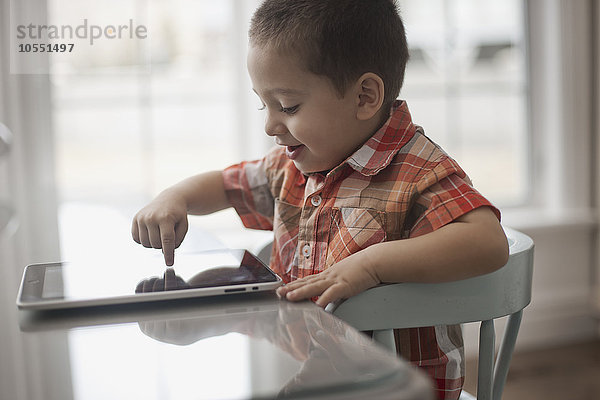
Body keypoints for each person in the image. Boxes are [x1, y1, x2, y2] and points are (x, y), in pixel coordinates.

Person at [131, 0, 509, 398]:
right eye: (264, 104)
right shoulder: (292, 167)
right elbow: (226, 185)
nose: (271, 125)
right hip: (307, 376)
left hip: (399, 389)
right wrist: (176, 198)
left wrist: (373, 265)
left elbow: (487, 241)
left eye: (289, 106)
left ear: (365, 96)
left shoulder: (417, 170)